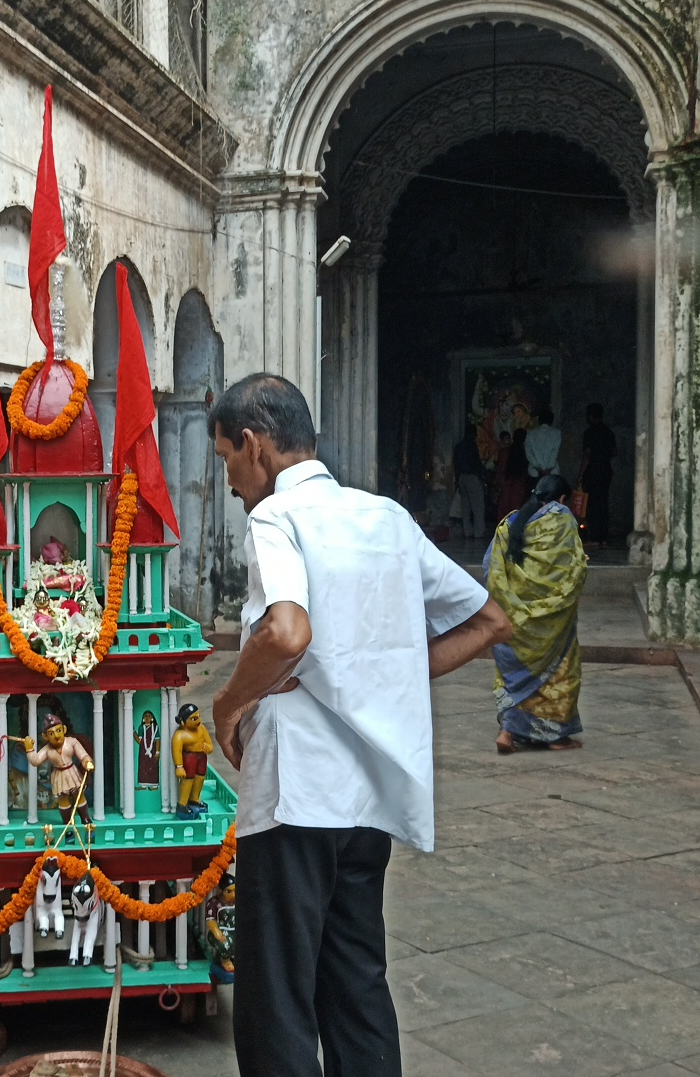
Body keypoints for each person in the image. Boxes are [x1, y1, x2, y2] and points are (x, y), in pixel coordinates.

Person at [206, 373, 512, 1077]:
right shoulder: (387, 519)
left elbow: (286, 633)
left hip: (298, 792)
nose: (229, 479)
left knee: (277, 992)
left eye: (226, 458)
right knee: (354, 979)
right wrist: (385, 671)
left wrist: (228, 705)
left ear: (254, 445)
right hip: (371, 793)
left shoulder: (276, 519)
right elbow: (489, 620)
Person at [487, 474, 588, 753]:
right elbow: (576, 564)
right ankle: (555, 737)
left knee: (515, 675)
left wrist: (509, 604)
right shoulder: (562, 519)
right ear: (563, 499)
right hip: (553, 618)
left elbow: (491, 567)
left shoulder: (511, 524)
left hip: (515, 616)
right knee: (560, 672)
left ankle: (508, 732)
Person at [10, 708, 94, 826]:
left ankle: (86, 819)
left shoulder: (71, 742)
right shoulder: (47, 749)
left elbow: (83, 754)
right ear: (45, 736)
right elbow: (35, 761)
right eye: (51, 733)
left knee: (79, 795)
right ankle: (67, 823)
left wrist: (87, 761)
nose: (56, 735)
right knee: (63, 799)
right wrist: (29, 748)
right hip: (59, 775)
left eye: (58, 730)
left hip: (72, 772)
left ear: (64, 729)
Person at [580, 403, 618, 547]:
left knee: (592, 505)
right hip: (605, 471)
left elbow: (587, 455)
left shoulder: (589, 433)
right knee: (603, 504)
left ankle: (595, 536)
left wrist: (580, 474)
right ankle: (603, 537)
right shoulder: (608, 432)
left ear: (590, 416)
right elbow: (614, 452)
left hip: (592, 473)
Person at [171, 703, 214, 818]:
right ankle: (182, 803)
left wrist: (208, 748)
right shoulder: (180, 735)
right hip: (189, 758)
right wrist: (179, 766)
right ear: (183, 721)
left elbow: (210, 743)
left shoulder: (201, 729)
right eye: (194, 718)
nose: (198, 721)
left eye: (199, 717)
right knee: (188, 780)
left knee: (200, 778)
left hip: (201, 757)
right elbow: (177, 750)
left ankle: (194, 798)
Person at [453, 422, 488, 541]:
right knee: (478, 506)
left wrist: (457, 479)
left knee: (465, 507)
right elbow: (476, 462)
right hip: (472, 477)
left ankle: (467, 531)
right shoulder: (471, 445)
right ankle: (479, 532)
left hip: (462, 477)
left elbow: (456, 463)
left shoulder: (458, 446)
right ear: (473, 433)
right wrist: (482, 474)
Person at [494, 426, 532, 521]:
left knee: (504, 514)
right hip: (519, 487)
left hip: (506, 485)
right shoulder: (525, 454)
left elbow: (500, 470)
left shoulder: (504, 452)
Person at [524, 407, 562, 479]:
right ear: (551, 420)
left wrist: (539, 469)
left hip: (534, 472)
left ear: (539, 420)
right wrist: (548, 469)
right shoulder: (556, 433)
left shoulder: (530, 433)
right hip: (552, 472)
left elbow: (529, 452)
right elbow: (554, 452)